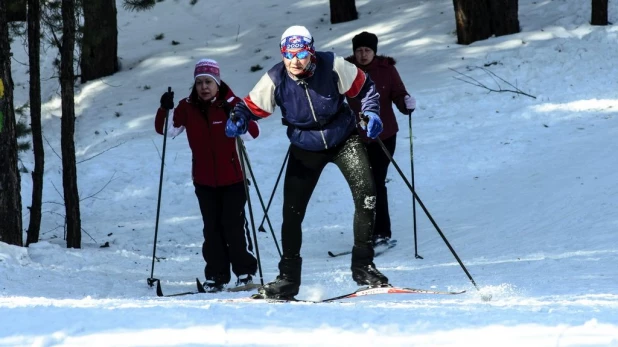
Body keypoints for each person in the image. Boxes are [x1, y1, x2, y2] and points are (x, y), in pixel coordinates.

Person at [225, 25, 389, 299]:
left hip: (343, 137)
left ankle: (363, 266)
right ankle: (288, 278)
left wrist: (371, 113)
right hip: (305, 146)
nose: (295, 60)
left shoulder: (332, 64)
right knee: (292, 213)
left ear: (310, 51)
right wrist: (238, 118)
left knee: (367, 197)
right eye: (288, 54)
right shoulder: (276, 78)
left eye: (301, 52)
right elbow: (250, 106)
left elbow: (366, 88)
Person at [154, 58, 260, 292]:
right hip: (203, 180)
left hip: (233, 178)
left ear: (217, 82)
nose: (204, 87)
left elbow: (253, 133)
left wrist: (239, 117)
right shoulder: (186, 106)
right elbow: (166, 130)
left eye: (208, 82)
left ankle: (245, 272)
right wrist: (165, 109)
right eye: (199, 82)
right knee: (211, 229)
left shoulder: (231, 103)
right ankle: (216, 275)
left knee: (233, 225)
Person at [345, 31, 416, 247]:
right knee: (362, 185)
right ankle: (366, 231)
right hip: (356, 137)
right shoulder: (346, 72)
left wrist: (406, 103)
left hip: (384, 136)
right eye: (359, 51)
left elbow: (398, 94)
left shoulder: (386, 70)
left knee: (376, 182)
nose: (363, 54)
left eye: (367, 50)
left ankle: (381, 232)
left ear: (374, 52)